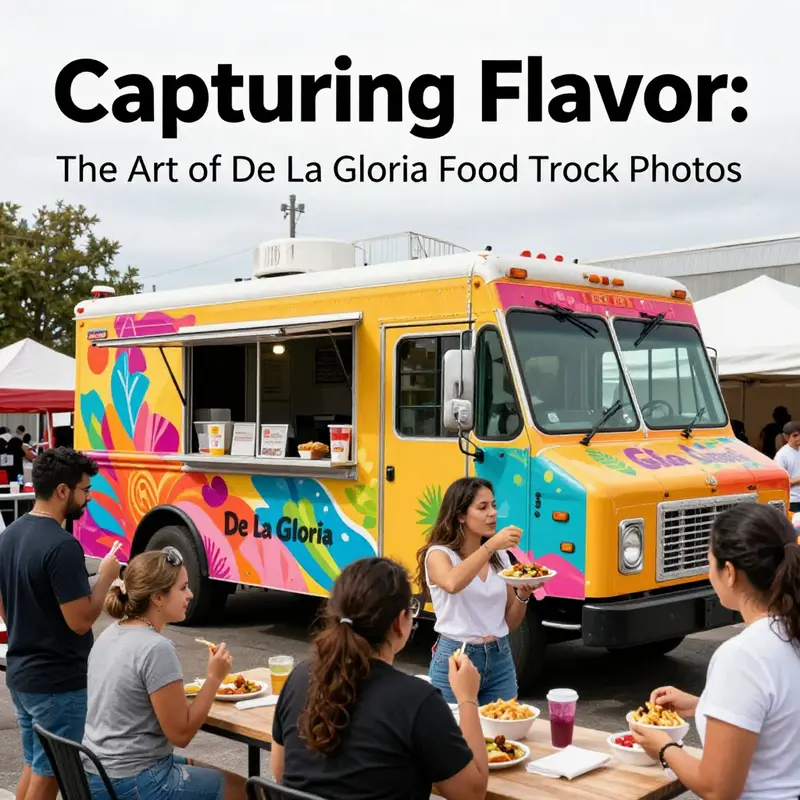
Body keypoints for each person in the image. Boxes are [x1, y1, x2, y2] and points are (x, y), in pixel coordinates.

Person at [271, 557, 489, 800]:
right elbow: (472, 793)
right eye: (411, 609)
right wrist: (468, 698)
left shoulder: (299, 676)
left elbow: (280, 774)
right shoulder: (417, 700)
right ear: (399, 622)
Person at [632, 503, 800, 800]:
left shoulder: (743, 656)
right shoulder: (790, 630)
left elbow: (718, 788)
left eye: (709, 563)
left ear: (731, 573)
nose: (709, 573)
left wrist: (663, 747)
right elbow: (780, 713)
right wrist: (705, 704)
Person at [0, 447, 121, 800]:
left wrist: (30, 624)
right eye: (85, 490)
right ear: (63, 491)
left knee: (33, 765)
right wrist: (105, 578)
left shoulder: (9, 536)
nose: (88, 499)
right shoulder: (62, 546)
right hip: (57, 682)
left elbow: (4, 604)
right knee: (49, 774)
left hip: (22, 673)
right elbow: (81, 621)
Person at [82, 549, 246, 800]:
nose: (190, 595)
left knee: (211, 773)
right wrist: (214, 678)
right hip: (132, 782)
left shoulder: (110, 633)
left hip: (96, 775)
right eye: (183, 588)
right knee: (246, 790)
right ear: (158, 598)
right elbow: (181, 734)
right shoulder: (156, 648)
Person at [415, 477, 531, 705]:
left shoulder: (500, 556)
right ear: (460, 515)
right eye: (482, 507)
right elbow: (452, 583)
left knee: (503, 734)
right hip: (457, 656)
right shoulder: (439, 554)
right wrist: (490, 546)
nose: (493, 513)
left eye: (494, 506)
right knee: (453, 734)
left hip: (500, 656)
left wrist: (523, 595)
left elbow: (509, 622)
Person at [775, 420, 800, 513]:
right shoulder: (781, 455)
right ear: (786, 437)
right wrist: (798, 480)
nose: (799, 438)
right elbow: (778, 483)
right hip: (792, 501)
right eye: (795, 435)